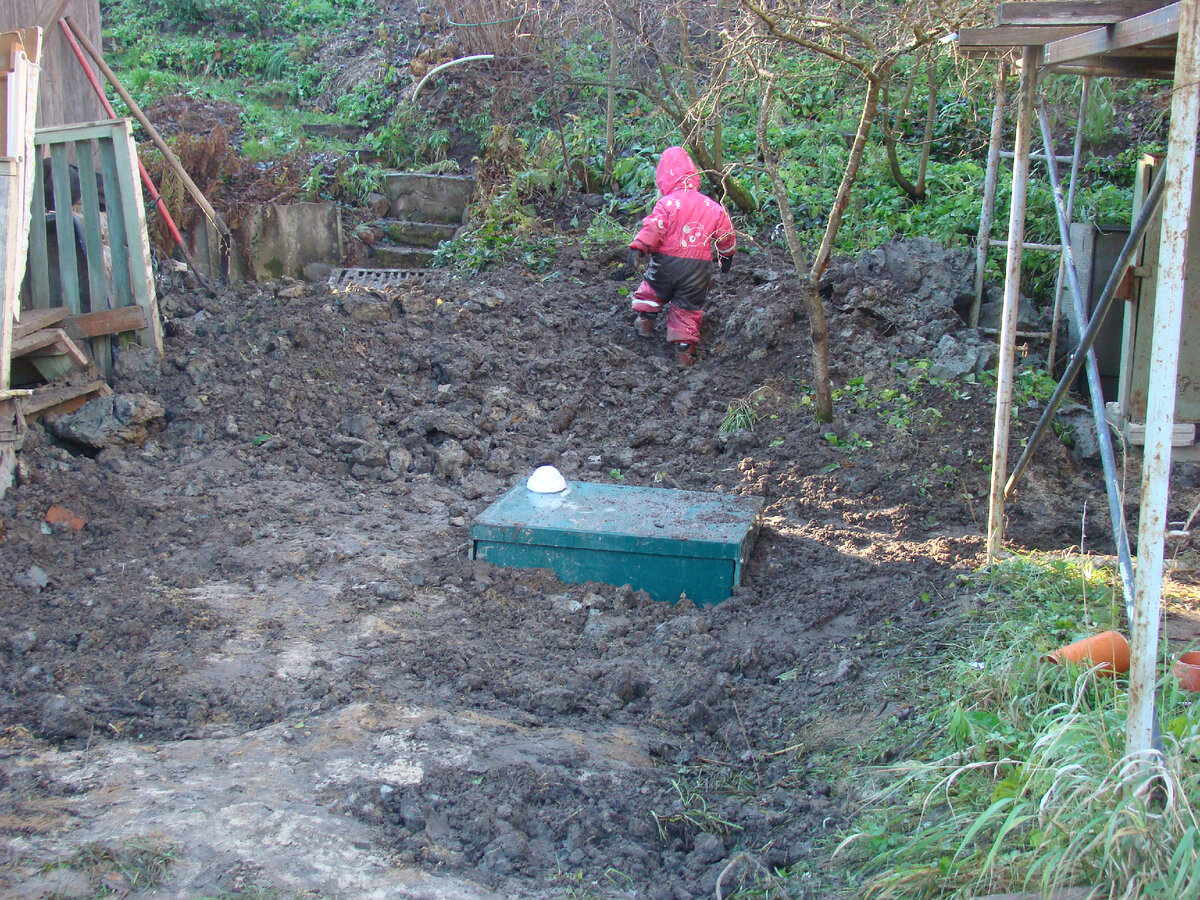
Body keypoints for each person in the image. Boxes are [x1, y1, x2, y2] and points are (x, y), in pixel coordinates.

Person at [626, 146, 736, 366]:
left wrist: (639, 248)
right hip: (699, 268)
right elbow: (726, 232)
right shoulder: (711, 206)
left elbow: (653, 228)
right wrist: (726, 256)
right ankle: (683, 352)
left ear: (663, 178)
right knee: (688, 305)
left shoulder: (667, 204)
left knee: (653, 288)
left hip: (667, 261)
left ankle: (646, 322)